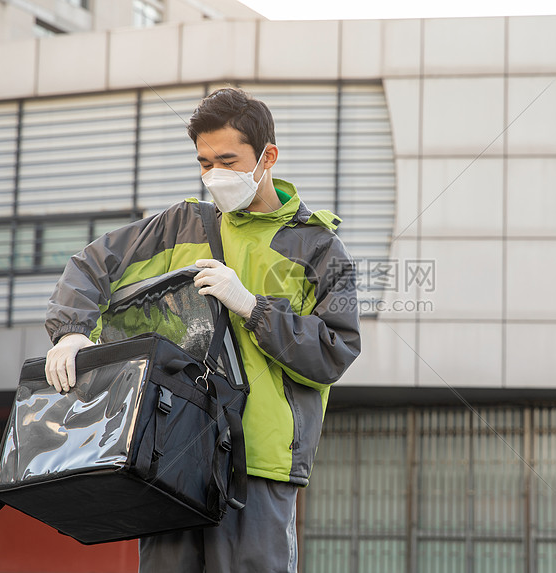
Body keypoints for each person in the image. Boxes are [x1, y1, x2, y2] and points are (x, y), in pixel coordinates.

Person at [43, 87, 361, 572]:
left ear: (267, 156)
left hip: (258, 465)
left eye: (227, 160)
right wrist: (70, 331)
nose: (214, 175)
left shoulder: (320, 248)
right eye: (204, 162)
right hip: (172, 454)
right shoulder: (180, 225)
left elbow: (334, 353)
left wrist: (254, 308)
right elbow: (90, 266)